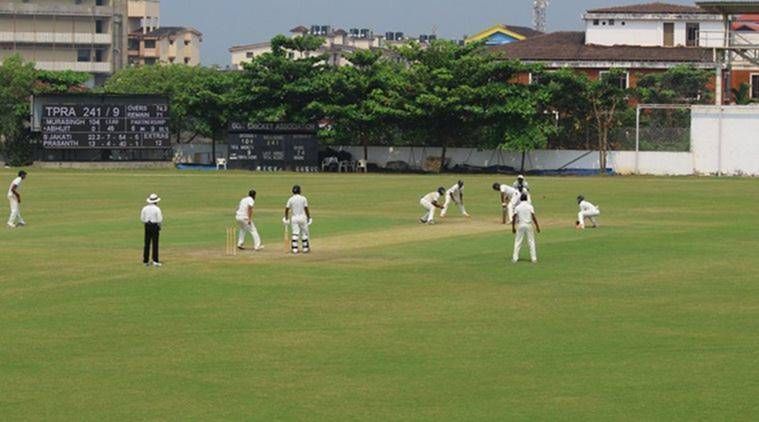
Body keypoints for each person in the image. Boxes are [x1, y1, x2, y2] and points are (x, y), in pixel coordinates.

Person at [512, 193, 540, 263]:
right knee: (531, 242)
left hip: (520, 225)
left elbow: (514, 217)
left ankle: (515, 258)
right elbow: (533, 217)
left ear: (520, 199)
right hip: (528, 225)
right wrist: (537, 226)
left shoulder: (517, 207)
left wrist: (513, 227)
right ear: (527, 199)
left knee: (518, 241)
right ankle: (534, 259)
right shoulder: (530, 206)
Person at [284, 185, 312, 254]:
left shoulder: (290, 199)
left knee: (295, 233)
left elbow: (286, 209)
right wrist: (309, 217)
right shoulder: (303, 198)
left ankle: (295, 249)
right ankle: (305, 248)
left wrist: (286, 218)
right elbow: (306, 209)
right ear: (300, 191)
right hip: (302, 217)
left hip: (294, 218)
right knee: (304, 233)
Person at [140, 193, 163, 267]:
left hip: (147, 225)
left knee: (147, 243)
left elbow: (142, 218)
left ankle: (145, 260)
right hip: (154, 226)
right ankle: (155, 260)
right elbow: (159, 219)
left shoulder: (144, 208)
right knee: (155, 243)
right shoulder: (157, 209)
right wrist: (159, 226)